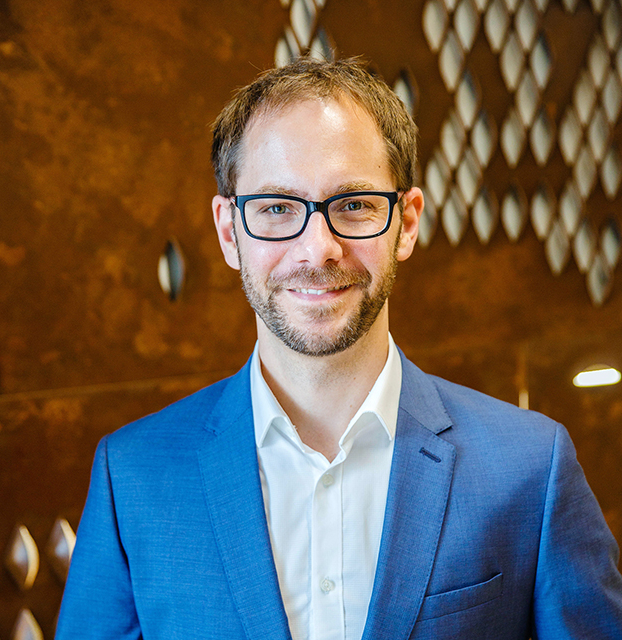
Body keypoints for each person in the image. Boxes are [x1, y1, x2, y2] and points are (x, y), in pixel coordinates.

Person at [55, 57, 622, 640]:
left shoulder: (531, 468)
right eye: (277, 208)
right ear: (229, 232)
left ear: (405, 223)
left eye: (352, 205)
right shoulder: (134, 476)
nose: (317, 249)